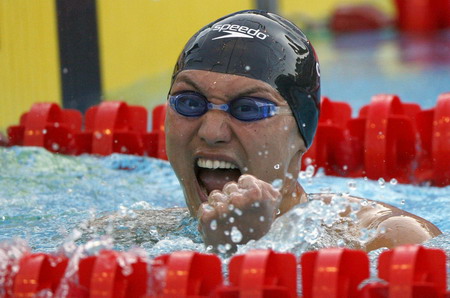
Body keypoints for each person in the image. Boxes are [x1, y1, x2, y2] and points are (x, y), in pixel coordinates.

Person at [164, 10, 441, 252]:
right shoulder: (143, 233)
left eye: (248, 108)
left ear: (301, 133)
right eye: (189, 102)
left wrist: (243, 253)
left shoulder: (392, 240)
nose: (212, 131)